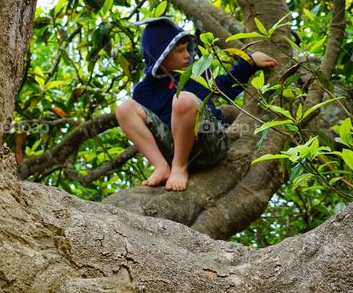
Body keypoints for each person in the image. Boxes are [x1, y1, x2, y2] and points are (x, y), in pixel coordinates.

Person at [116, 17, 277, 190]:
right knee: (125, 108)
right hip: (172, 151)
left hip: (210, 146)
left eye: (187, 49)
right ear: (161, 56)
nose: (187, 55)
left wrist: (250, 62)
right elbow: (148, 129)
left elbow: (225, 87)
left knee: (183, 98)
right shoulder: (143, 91)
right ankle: (162, 167)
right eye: (180, 51)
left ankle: (180, 167)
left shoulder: (197, 72)